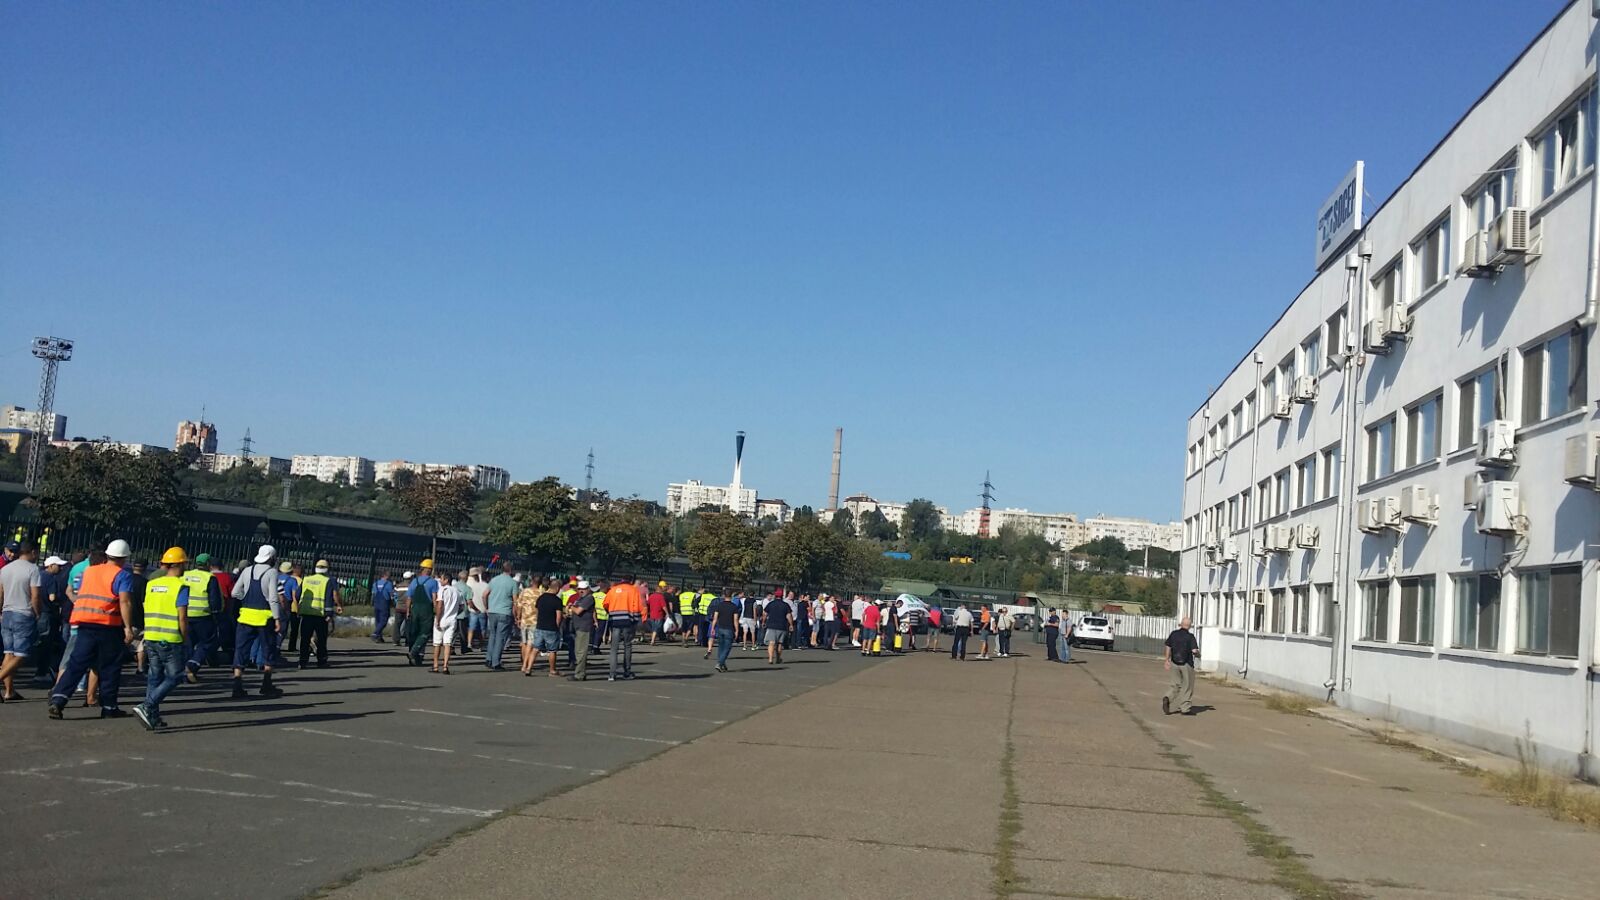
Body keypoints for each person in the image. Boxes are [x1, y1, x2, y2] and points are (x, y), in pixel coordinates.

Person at [49, 540, 137, 719]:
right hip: (108, 625)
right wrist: (128, 627)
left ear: (107, 555)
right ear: (124, 558)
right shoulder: (122, 574)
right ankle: (109, 707)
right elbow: (125, 601)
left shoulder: (89, 571)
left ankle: (58, 700)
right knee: (110, 667)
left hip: (84, 623)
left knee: (76, 664)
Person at [133, 547, 191, 730]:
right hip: (170, 638)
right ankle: (148, 705)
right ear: (179, 564)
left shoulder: (152, 585)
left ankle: (152, 716)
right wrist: (185, 637)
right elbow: (182, 617)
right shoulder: (180, 586)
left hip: (151, 636)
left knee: (154, 677)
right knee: (176, 676)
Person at [229, 544, 285, 699]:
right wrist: (277, 618)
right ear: (272, 558)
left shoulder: (247, 570)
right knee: (268, 650)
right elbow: (273, 597)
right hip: (264, 619)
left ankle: (237, 685)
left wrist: (246, 599)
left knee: (241, 651)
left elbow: (234, 592)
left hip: (245, 617)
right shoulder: (271, 572)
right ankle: (266, 685)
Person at [0, 540, 42, 701]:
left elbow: (0, 593)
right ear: (33, 552)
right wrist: (37, 613)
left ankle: (9, 691)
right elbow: (35, 595)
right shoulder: (33, 569)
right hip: (23, 613)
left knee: (8, 653)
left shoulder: (5, 569)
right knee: (21, 654)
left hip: (7, 613)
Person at [181, 553, 223, 683]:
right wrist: (217, 615)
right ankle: (193, 664)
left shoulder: (186, 575)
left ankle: (184, 670)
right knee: (207, 642)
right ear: (208, 564)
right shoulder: (210, 577)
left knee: (188, 642)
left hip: (185, 613)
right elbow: (214, 599)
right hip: (203, 615)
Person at [297, 559, 342, 669]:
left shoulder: (306, 579)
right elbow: (334, 595)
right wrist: (338, 606)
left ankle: (302, 661)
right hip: (321, 615)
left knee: (305, 638)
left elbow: (298, 594)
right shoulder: (329, 580)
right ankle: (321, 661)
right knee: (321, 639)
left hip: (306, 613)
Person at [34, 554, 69, 685]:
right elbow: (52, 597)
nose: (60, 568)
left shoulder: (39, 575)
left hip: (39, 612)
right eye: (58, 566)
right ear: (51, 566)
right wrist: (59, 603)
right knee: (46, 644)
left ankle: (40, 670)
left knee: (41, 641)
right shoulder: (51, 579)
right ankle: (41, 672)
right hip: (48, 613)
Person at [605, 576, 644, 681]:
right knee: (627, 646)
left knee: (614, 648)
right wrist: (635, 621)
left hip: (615, 620)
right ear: (631, 581)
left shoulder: (613, 590)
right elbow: (638, 607)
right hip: (628, 621)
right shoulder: (633, 590)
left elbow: (605, 604)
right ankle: (626, 672)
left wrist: (611, 612)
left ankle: (612, 674)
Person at [1163, 616, 1200, 716]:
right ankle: (1185, 708)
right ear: (1190, 626)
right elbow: (1194, 650)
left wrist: (1167, 660)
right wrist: (1198, 654)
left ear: (1181, 624)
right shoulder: (1190, 637)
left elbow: (1168, 646)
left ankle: (1167, 698)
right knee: (1187, 686)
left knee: (1175, 684)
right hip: (1186, 664)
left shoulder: (1174, 634)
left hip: (1174, 662)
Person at [484, 561, 517, 671]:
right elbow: (515, 601)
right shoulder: (513, 583)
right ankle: (496, 662)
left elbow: (484, 595)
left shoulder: (494, 580)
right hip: (505, 612)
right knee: (500, 638)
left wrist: (487, 607)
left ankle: (489, 659)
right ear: (511, 570)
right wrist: (516, 615)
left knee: (492, 636)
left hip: (492, 611)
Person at [406, 560, 439, 667]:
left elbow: (409, 598)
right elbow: (434, 598)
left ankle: (414, 658)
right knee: (425, 633)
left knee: (414, 633)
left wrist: (408, 611)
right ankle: (414, 653)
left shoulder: (414, 581)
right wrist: (436, 611)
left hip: (415, 609)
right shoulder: (433, 582)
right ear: (429, 570)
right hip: (426, 610)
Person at [565, 581, 596, 681]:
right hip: (577, 627)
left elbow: (578, 611)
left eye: (583, 589)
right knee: (578, 651)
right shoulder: (580, 599)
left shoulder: (589, 598)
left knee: (581, 652)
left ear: (588, 589)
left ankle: (579, 674)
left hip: (584, 628)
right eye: (579, 589)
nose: (581, 591)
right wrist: (569, 609)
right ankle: (580, 673)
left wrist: (571, 606)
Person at [431, 570, 460, 674]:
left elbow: (440, 605)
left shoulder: (442, 590)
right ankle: (445, 666)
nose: (440, 581)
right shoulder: (457, 591)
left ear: (446, 580)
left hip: (442, 618)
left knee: (437, 643)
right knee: (447, 643)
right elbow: (462, 606)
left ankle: (435, 666)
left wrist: (438, 619)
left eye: (442, 579)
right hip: (452, 619)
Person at [708, 590, 738, 673]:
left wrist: (713, 628)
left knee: (721, 647)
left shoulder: (719, 605)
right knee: (727, 648)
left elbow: (715, 618)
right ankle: (720, 663)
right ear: (731, 596)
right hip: (729, 629)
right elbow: (735, 620)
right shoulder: (734, 607)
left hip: (720, 628)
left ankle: (722, 664)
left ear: (724, 596)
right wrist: (737, 630)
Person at [762, 590, 793, 665]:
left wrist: (763, 622)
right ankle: (778, 658)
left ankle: (770, 659)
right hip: (782, 626)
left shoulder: (771, 604)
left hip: (771, 625)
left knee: (771, 643)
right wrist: (791, 624)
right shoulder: (785, 605)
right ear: (782, 596)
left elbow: (765, 613)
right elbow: (789, 615)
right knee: (780, 643)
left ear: (775, 596)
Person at [465, 567, 489, 652]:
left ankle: (469, 643)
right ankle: (481, 645)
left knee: (471, 627)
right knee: (483, 629)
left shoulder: (473, 586)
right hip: (483, 609)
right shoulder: (487, 586)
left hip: (473, 609)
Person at [370, 570, 395, 643]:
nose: (390, 577)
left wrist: (372, 603)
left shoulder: (375, 583)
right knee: (384, 620)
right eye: (389, 575)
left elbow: (373, 594)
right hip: (384, 604)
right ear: (385, 576)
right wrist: (393, 602)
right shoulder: (388, 584)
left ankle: (379, 637)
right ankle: (375, 633)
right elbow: (391, 595)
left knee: (378, 620)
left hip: (376, 603)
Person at [646, 581, 669, 646]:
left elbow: (647, 604)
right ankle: (652, 641)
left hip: (652, 614)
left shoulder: (651, 596)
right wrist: (667, 613)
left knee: (654, 628)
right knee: (657, 628)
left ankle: (653, 639)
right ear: (660, 590)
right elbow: (664, 606)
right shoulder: (661, 597)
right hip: (659, 614)